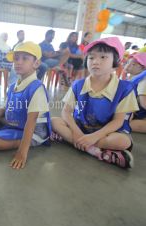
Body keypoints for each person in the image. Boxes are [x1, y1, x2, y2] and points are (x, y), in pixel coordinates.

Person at [51, 37, 139, 169]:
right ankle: (97, 152)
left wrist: (93, 137)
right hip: (80, 128)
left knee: (123, 141)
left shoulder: (124, 89)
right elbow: (66, 112)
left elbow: (118, 121)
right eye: (91, 58)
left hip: (105, 133)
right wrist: (77, 132)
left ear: (115, 63)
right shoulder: (78, 85)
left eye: (103, 57)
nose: (95, 62)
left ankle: (68, 140)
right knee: (54, 120)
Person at [0, 41, 51, 169]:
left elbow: (31, 121)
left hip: (33, 131)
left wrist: (22, 153)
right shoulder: (13, 86)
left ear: (36, 63)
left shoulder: (37, 88)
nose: (18, 62)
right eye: (16, 58)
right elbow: (5, 109)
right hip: (17, 122)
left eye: (25, 58)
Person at [125, 53, 146, 133]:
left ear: (143, 68)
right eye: (127, 63)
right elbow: (144, 103)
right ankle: (121, 124)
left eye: (133, 64)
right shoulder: (142, 78)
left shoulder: (143, 79)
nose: (127, 65)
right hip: (131, 111)